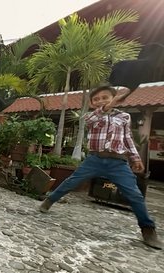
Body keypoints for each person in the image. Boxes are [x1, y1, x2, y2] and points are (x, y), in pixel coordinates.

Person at [39, 85, 162, 250]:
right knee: (70, 182)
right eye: (96, 99)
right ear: (91, 103)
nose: (100, 101)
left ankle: (148, 229)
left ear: (113, 98)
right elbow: (90, 122)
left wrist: (135, 157)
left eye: (105, 97)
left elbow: (127, 138)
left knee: (134, 194)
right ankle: (49, 200)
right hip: (94, 159)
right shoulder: (92, 116)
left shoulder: (124, 116)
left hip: (118, 163)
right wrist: (105, 108)